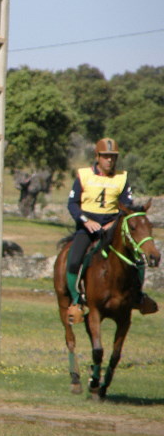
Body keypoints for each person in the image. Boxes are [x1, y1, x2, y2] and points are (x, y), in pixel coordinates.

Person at [65, 137, 155, 320]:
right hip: (87, 227)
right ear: (97, 156)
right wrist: (86, 221)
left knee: (137, 260)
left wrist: (113, 224)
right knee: (74, 261)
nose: (110, 160)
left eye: (113, 157)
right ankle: (76, 300)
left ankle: (138, 296)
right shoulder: (83, 175)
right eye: (106, 156)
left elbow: (126, 206)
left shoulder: (122, 178)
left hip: (112, 227)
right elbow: (73, 204)